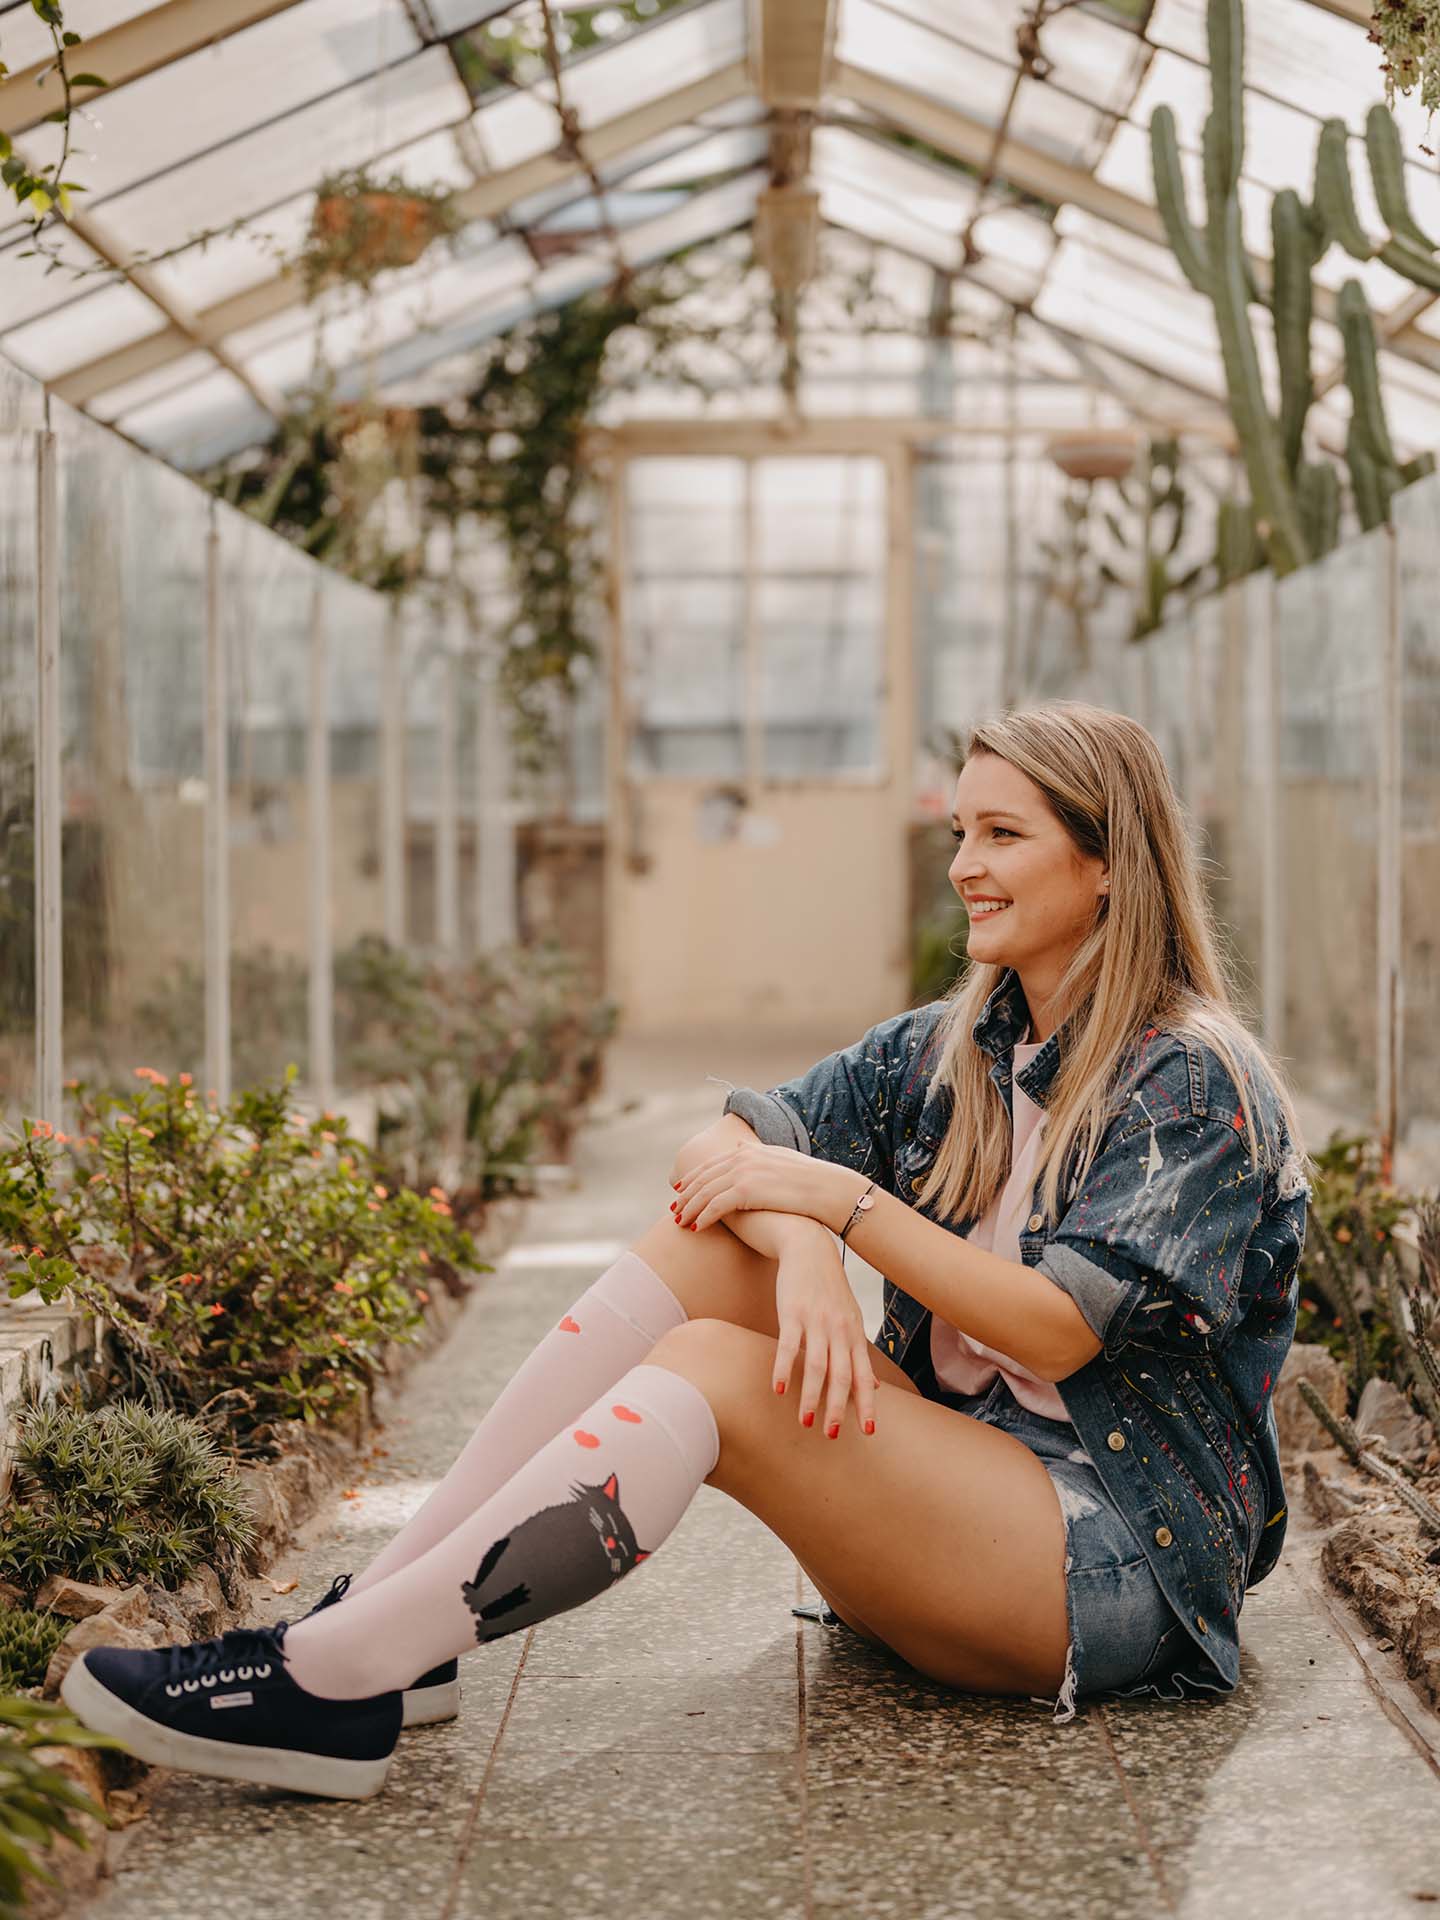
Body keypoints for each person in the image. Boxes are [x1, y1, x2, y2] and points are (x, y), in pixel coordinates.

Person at [59, 700, 1312, 1800]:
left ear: (1108, 864)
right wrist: (805, 1243)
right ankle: (401, 1625)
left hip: (1108, 1565)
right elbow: (730, 1145)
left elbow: (1056, 1327)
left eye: (1004, 835)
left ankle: (329, 1682)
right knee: (717, 1251)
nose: (964, 869)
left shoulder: (1188, 1078)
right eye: (958, 835)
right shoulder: (963, 1044)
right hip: (962, 1505)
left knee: (718, 1367)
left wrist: (841, 1209)